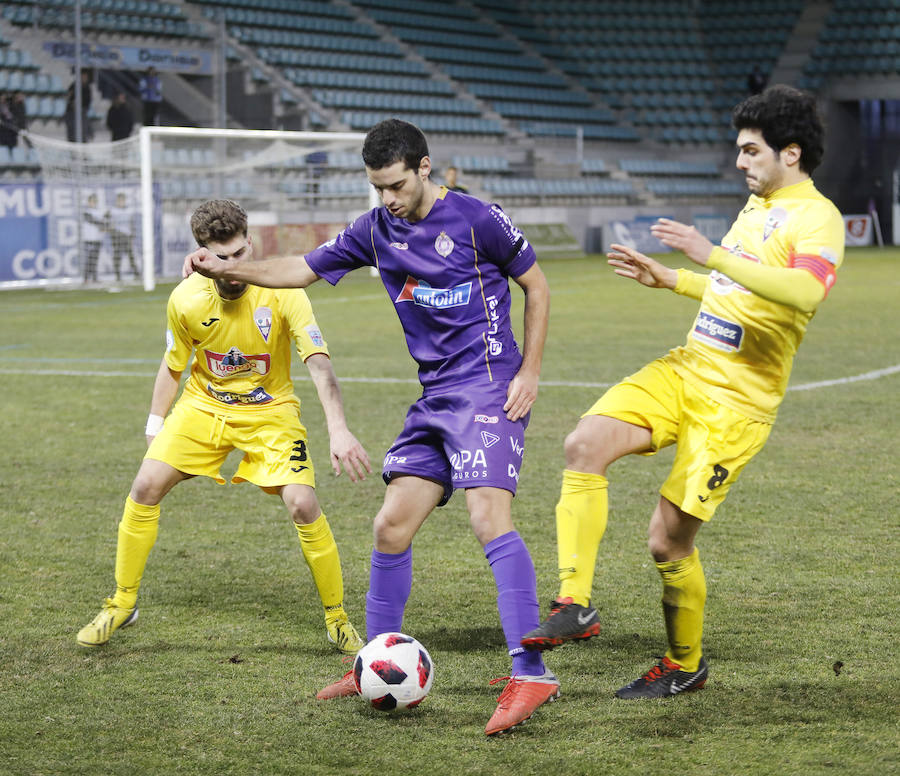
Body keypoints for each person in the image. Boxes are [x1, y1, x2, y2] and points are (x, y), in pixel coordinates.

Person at [184, 119, 555, 736]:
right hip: (435, 396)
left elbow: (536, 288)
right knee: (389, 525)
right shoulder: (374, 230)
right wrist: (228, 272)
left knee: (489, 517)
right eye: (378, 187)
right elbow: (299, 269)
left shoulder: (476, 218)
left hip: (490, 387)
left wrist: (531, 372)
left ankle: (532, 670)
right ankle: (375, 662)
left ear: (425, 168)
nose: (388, 198)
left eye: (397, 185)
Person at [520, 85, 845, 699]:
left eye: (751, 151)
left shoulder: (818, 217)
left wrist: (711, 253)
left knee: (667, 540)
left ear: (791, 153)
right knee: (584, 443)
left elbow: (803, 294)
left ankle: (683, 663)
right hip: (687, 367)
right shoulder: (758, 208)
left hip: (738, 403)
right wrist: (674, 279)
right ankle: (574, 602)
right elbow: (739, 292)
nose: (741, 162)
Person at [77, 199, 371, 655]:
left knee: (302, 503)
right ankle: (122, 603)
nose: (232, 268)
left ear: (249, 244)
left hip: (271, 413)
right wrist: (155, 423)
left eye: (239, 254)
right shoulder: (185, 299)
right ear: (202, 255)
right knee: (145, 486)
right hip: (203, 407)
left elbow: (318, 363)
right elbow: (173, 365)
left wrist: (339, 428)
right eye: (221, 257)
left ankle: (337, 618)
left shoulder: (285, 292)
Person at [107, 191, 140, 280]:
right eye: (119, 200)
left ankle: (136, 274)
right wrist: (111, 231)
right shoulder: (112, 211)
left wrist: (133, 232)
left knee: (131, 255)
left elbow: (131, 223)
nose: (121, 202)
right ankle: (118, 275)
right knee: (117, 256)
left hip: (127, 236)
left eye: (123, 200)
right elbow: (106, 221)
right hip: (117, 236)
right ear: (117, 201)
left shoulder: (129, 210)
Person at [81, 193, 105, 283]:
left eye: (94, 201)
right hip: (88, 239)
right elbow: (92, 220)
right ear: (88, 202)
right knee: (89, 260)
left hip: (98, 239)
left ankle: (95, 278)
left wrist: (104, 225)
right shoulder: (86, 212)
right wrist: (102, 224)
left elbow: (104, 222)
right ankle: (86, 278)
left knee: (95, 260)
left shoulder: (99, 211)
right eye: (91, 201)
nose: (93, 203)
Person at [65, 70, 93, 143]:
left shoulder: (87, 88)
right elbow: (68, 96)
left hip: (82, 112)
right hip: (72, 113)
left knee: (83, 131)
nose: (84, 78)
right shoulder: (74, 86)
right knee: (72, 133)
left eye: (85, 77)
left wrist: (81, 106)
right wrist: (72, 103)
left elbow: (88, 101)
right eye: (83, 76)